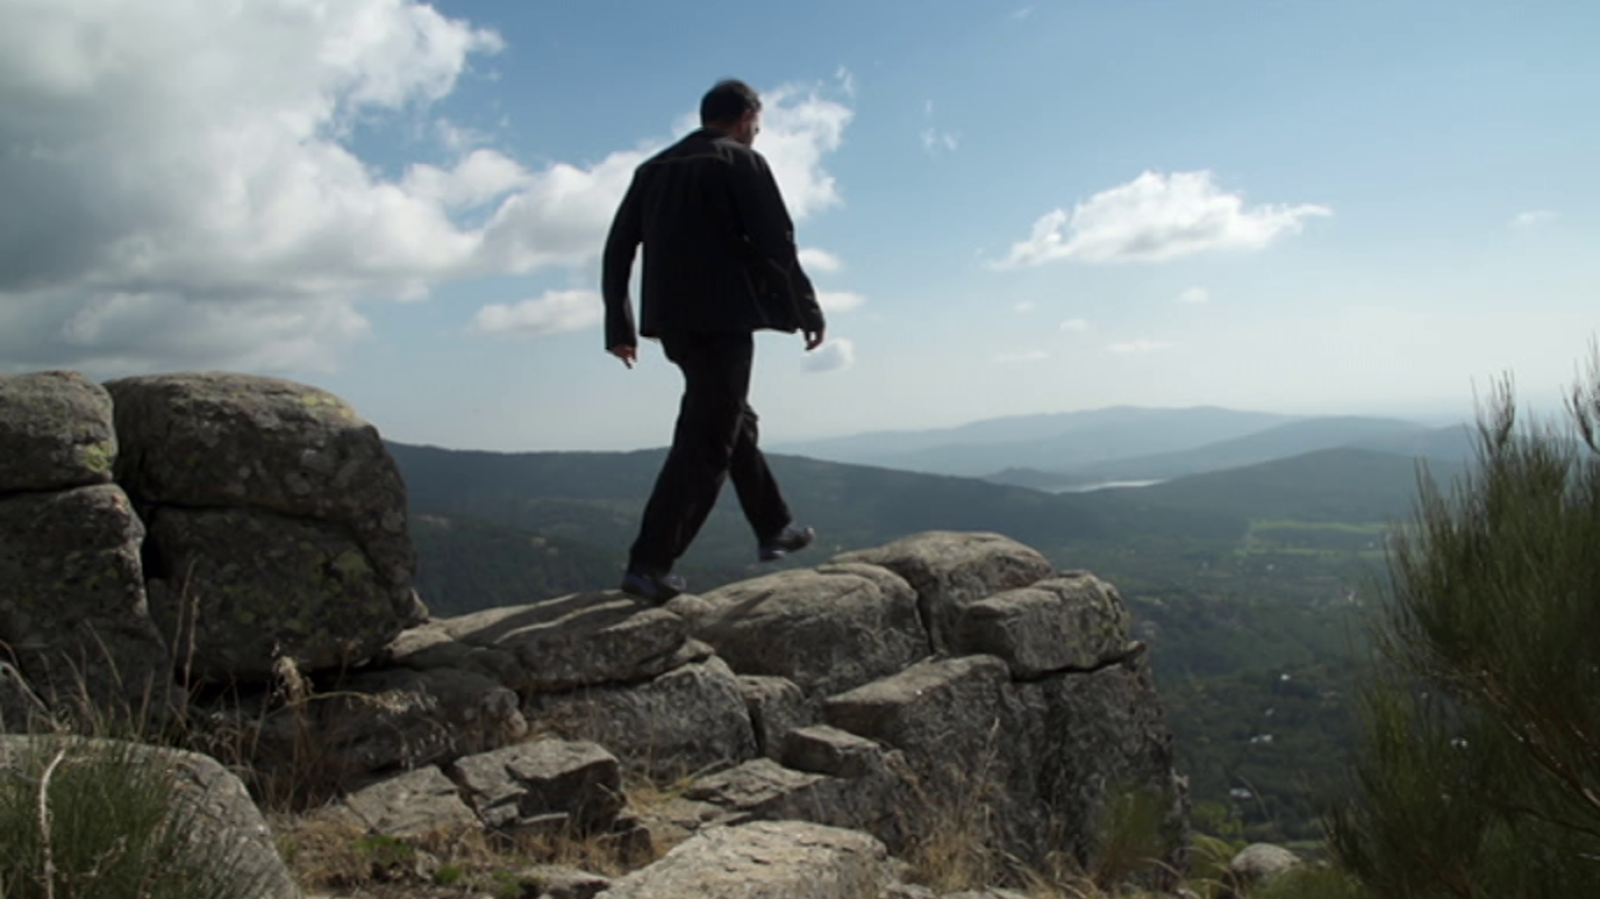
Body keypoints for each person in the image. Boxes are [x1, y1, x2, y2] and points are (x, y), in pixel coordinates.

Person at [601, 79, 826, 602]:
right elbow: (777, 243)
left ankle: (775, 526)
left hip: (671, 323)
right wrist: (807, 309)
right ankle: (649, 563)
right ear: (746, 115)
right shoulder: (740, 162)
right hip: (724, 318)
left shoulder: (652, 169)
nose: (757, 132)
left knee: (728, 417)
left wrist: (621, 325)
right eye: (757, 123)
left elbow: (618, 250)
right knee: (707, 440)